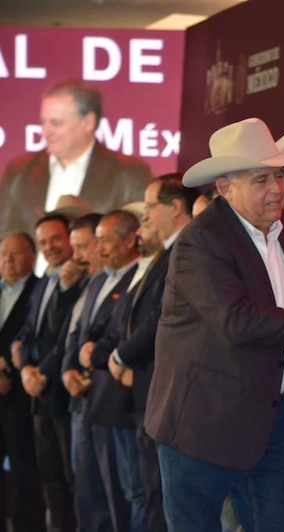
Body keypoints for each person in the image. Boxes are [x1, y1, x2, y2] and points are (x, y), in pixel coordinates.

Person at [143, 117, 284, 531]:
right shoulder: (202, 240)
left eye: (278, 177)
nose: (275, 189)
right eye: (259, 180)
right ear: (226, 188)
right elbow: (240, 322)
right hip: (201, 424)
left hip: (274, 417)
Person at [102, 175, 194, 532]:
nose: (145, 220)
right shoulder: (167, 252)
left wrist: (121, 356)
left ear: (175, 207)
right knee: (152, 492)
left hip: (167, 390)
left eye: (149, 209)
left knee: (159, 495)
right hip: (150, 389)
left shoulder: (186, 247)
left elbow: (163, 315)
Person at [63, 210, 141, 532]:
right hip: (82, 401)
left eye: (106, 239)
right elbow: (78, 330)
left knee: (125, 492)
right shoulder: (97, 279)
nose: (98, 247)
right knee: (89, 491)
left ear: (130, 240)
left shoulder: (137, 278)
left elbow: (126, 335)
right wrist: (69, 369)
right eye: (97, 239)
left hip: (115, 403)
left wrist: (93, 356)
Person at [0, 79, 152, 236]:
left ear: (88, 122)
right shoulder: (19, 172)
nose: (46, 131)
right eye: (43, 123)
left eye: (56, 123)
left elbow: (141, 235)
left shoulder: (130, 174)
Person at [16, 213, 85, 532]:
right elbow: (30, 329)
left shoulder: (84, 278)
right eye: (43, 242)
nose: (50, 247)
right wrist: (26, 367)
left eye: (55, 239)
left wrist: (40, 372)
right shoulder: (44, 279)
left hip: (63, 393)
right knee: (50, 477)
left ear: (69, 237)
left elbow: (67, 338)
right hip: (39, 395)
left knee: (75, 479)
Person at [0, 232, 47, 532]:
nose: (9, 260)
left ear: (32, 256)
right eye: (4, 254)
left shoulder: (40, 290)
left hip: (21, 395)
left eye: (16, 253)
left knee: (24, 471)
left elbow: (37, 337)